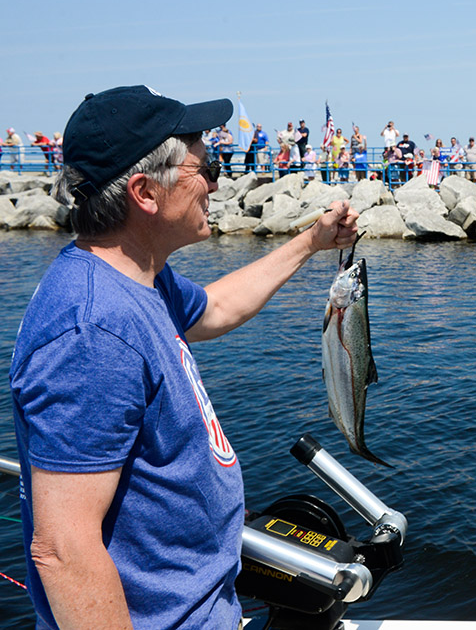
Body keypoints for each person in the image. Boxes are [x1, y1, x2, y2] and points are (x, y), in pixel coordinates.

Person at [9, 85, 359, 629]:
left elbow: (215, 308)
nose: (218, 182)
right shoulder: (92, 329)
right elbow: (62, 548)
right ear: (146, 193)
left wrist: (311, 243)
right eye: (206, 166)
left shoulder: (140, 279)